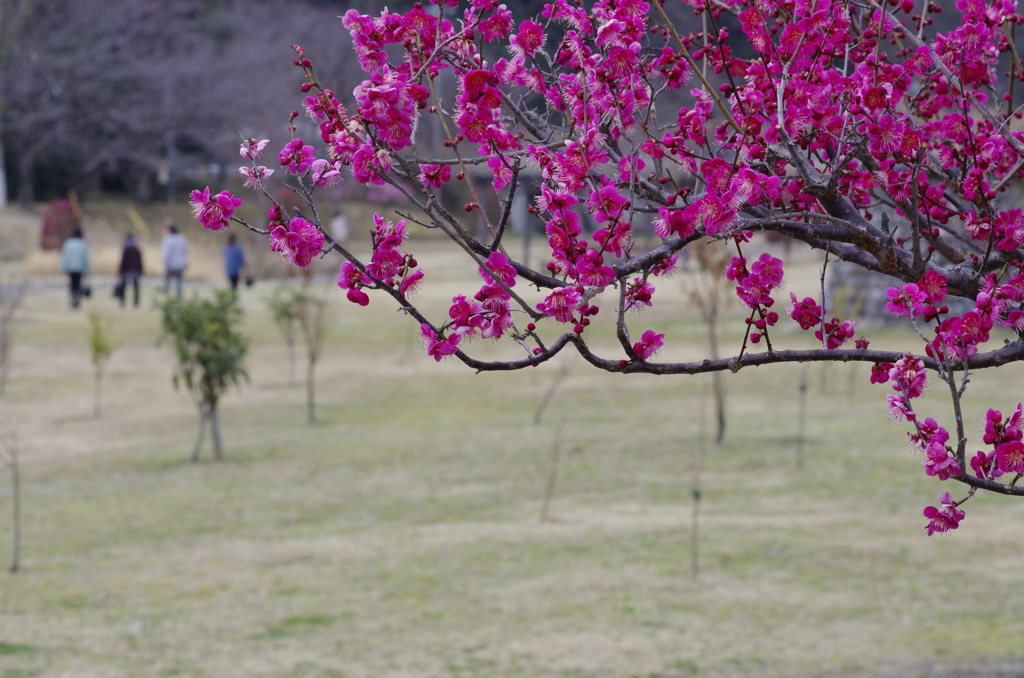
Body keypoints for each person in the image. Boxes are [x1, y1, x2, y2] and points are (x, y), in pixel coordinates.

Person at [59, 228, 90, 309]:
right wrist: (87, 270)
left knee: (72, 285)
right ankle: (77, 301)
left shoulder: (68, 243)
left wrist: (64, 268)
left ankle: (72, 300)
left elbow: (65, 257)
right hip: (79, 268)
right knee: (78, 284)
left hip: (70, 268)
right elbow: (85, 259)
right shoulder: (83, 244)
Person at [161, 224, 189, 299]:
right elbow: (186, 250)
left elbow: (167, 254)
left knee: (167, 283)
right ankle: (179, 299)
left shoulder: (168, 239)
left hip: (170, 265)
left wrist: (165, 265)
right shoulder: (182, 238)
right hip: (180, 264)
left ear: (169, 230)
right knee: (179, 283)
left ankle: (166, 298)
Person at [117, 234, 144, 308]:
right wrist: (141, 270)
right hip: (135, 270)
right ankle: (136, 302)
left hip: (126, 270)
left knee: (124, 286)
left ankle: (122, 301)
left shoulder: (126, 249)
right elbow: (140, 262)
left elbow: (123, 261)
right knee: (136, 286)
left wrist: (120, 271)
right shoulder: (137, 249)